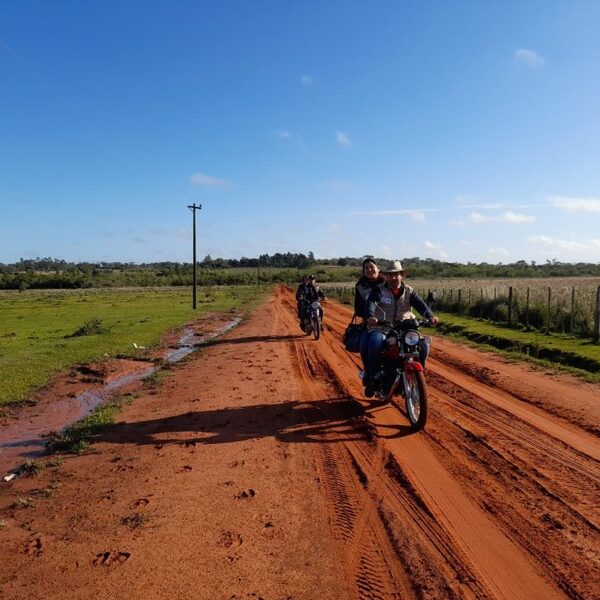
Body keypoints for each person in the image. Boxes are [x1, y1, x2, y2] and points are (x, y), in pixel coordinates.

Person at [364, 260, 438, 397]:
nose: (393, 277)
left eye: (396, 274)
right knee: (375, 341)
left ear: (401, 275)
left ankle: (417, 376)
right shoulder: (379, 290)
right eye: (390, 275)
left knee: (424, 345)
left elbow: (421, 305)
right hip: (383, 327)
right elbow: (371, 304)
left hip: (404, 327)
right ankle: (373, 377)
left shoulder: (409, 291)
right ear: (386, 276)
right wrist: (370, 316)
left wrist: (430, 316)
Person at [353, 257, 385, 384]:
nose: (369, 269)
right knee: (364, 344)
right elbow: (358, 308)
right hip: (371, 323)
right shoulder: (360, 286)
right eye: (366, 268)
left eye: (372, 267)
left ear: (378, 268)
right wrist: (368, 317)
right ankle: (369, 372)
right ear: (363, 271)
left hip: (391, 321)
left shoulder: (386, 283)